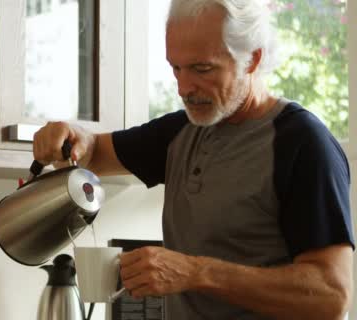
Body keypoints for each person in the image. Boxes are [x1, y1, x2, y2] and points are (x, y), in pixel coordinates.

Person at [32, 0, 354, 319]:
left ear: (252, 59)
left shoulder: (302, 143)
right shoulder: (183, 130)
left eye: (202, 68)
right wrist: (70, 136)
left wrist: (195, 272)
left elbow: (331, 295)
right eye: (176, 68)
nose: (184, 88)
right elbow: (93, 152)